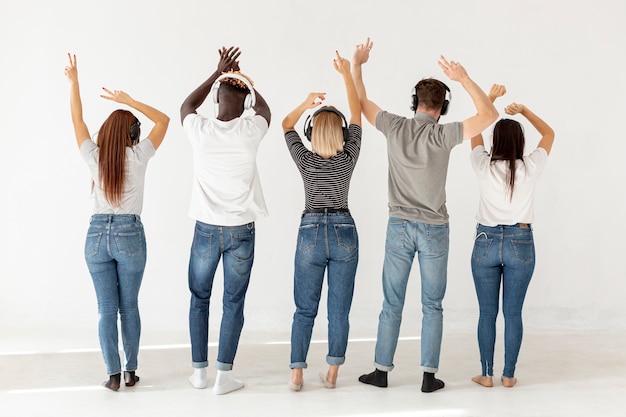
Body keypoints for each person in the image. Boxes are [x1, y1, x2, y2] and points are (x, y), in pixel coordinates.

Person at [351, 38, 498, 392]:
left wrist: (357, 65)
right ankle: (428, 377)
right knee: (433, 304)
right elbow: (489, 116)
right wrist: (463, 78)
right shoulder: (445, 134)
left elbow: (360, 101)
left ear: (414, 103)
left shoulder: (394, 126)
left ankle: (381, 371)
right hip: (434, 230)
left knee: (392, 302)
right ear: (442, 109)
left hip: (398, 226)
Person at [64, 53, 170, 391]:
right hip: (129, 234)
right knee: (129, 306)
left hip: (95, 236)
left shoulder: (93, 157)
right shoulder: (139, 156)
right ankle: (130, 370)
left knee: (105, 308)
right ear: (134, 133)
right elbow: (165, 120)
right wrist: (131, 101)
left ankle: (112, 374)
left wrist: (74, 83)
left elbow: (77, 119)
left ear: (106, 133)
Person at [180, 46, 271, 395]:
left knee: (199, 298)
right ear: (244, 102)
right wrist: (244, 78)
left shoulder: (199, 130)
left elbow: (187, 106)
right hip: (241, 232)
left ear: (216, 98)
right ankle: (223, 377)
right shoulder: (250, 132)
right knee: (233, 303)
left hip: (205, 229)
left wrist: (217, 73)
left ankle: (199, 373)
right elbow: (265, 109)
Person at [283, 51, 362, 391]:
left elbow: (286, 125)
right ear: (342, 132)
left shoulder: (305, 160)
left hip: (311, 230)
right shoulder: (349, 157)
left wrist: (306, 101)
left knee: (304, 308)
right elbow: (357, 112)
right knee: (339, 310)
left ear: (312, 131)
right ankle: (332, 374)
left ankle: (297, 374)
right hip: (344, 229)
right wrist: (347, 73)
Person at [469, 84, 554, 389]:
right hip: (521, 242)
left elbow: (473, 132)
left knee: (487, 313)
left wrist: (489, 101)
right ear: (520, 143)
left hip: (486, 243)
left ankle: (487, 374)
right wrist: (524, 111)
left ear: (495, 141)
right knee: (513, 313)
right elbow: (549, 134)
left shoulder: (483, 166)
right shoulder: (530, 166)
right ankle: (509, 375)